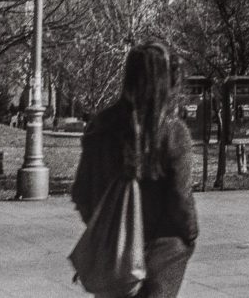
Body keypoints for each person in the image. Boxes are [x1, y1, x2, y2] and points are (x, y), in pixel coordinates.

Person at [71, 42, 198, 298]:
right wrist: (189, 234)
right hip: (162, 250)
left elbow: (80, 192)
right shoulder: (172, 133)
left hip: (113, 252)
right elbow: (180, 198)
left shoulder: (101, 127)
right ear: (167, 81)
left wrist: (108, 227)